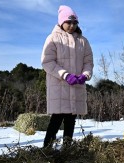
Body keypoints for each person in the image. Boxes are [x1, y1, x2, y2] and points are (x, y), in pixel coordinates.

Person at [41, 5, 94, 147]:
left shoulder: (83, 41)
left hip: (76, 87)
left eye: (74, 23)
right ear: (61, 22)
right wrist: (65, 75)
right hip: (59, 87)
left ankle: (67, 149)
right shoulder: (53, 38)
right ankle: (47, 149)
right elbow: (47, 61)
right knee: (56, 119)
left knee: (71, 119)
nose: (71, 26)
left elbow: (88, 62)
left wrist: (85, 75)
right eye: (68, 22)